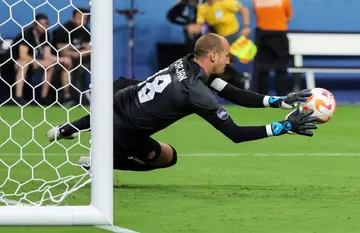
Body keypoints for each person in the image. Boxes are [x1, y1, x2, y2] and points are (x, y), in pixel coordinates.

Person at [46, 33, 317, 171]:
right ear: (212, 56)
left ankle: (68, 129)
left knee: (123, 99)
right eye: (226, 56)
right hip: (127, 133)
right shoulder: (196, 94)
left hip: (116, 102)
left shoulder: (187, 63)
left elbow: (232, 92)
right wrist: (284, 127)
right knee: (168, 158)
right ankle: (102, 161)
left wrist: (279, 101)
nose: (228, 61)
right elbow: (235, 134)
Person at [186, 0, 252, 89]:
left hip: (234, 36)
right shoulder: (202, 8)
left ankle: (241, 78)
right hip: (221, 38)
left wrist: (246, 26)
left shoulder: (225, 2)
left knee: (221, 62)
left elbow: (244, 10)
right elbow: (199, 25)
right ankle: (241, 78)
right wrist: (193, 28)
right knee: (220, 65)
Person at [12, 13, 72, 105]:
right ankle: (18, 97)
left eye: (46, 24)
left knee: (50, 65)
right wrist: (36, 61)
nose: (44, 27)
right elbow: (22, 55)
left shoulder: (46, 35)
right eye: (41, 24)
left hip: (35, 62)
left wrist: (62, 59)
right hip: (17, 61)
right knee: (23, 64)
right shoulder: (26, 34)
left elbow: (47, 56)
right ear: (35, 25)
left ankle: (43, 97)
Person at [252, 0, 293, 95]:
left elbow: (258, 14)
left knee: (262, 67)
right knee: (281, 67)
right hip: (279, 33)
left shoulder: (256, 1)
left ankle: (261, 96)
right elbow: (289, 16)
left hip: (262, 35)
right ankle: (282, 96)